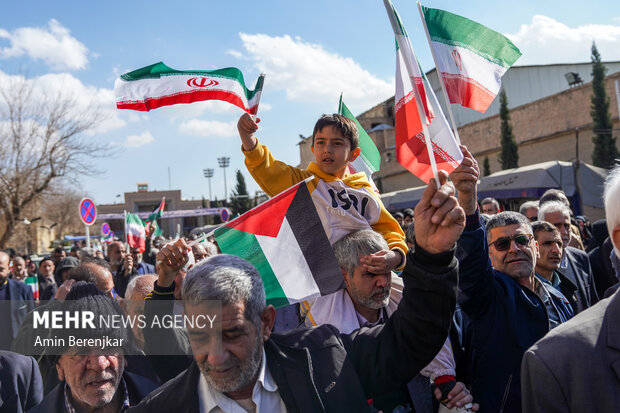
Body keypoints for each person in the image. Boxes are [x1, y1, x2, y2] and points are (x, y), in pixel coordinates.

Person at [129, 172, 463, 412]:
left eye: (232, 334)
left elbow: (412, 340)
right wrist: (162, 285)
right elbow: (162, 351)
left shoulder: (325, 361)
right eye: (201, 336)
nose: (216, 356)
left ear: (266, 323)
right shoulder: (166, 405)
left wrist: (433, 257)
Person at [302, 229, 477, 412]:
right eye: (370, 274)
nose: (383, 283)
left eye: (386, 272)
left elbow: (437, 368)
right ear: (345, 275)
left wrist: (451, 394)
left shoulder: (408, 309)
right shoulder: (323, 337)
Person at [449, 146, 567, 413]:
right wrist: (467, 196)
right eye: (502, 244)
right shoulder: (488, 295)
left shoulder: (560, 296)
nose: (514, 248)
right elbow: (470, 267)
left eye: (522, 240)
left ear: (536, 247)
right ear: (488, 255)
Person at [237, 112, 407, 273]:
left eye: (337, 143)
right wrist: (248, 137)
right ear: (313, 150)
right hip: (322, 290)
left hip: (366, 284)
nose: (327, 149)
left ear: (354, 154)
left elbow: (391, 232)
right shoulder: (303, 184)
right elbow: (268, 169)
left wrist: (395, 257)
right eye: (321, 142)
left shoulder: (365, 193)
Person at [521, 163, 620, 411]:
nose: (562, 236)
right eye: (550, 237)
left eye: (566, 226)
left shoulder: (581, 258)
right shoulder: (552, 361)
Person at [28, 282, 158, 413]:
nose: (99, 364)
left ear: (124, 359)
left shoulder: (160, 404)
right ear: (59, 368)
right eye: (82, 352)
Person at [538, 200, 598, 312]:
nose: (564, 231)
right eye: (556, 226)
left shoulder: (580, 257)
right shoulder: (534, 262)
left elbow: (593, 301)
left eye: (567, 225)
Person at [531, 221, 576, 324]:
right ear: (533, 247)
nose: (556, 250)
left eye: (559, 244)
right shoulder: (523, 290)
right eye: (547, 244)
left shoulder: (568, 287)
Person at [0, 251, 35, 351]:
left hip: (16, 350)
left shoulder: (23, 290)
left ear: (8, 269)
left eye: (1, 269)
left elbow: (32, 322)